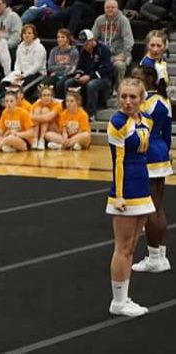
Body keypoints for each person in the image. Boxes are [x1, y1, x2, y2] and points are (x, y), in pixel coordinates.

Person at [106, 77, 155, 317]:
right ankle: (118, 301)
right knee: (122, 247)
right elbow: (118, 162)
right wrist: (118, 196)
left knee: (133, 246)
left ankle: (124, 297)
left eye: (133, 97)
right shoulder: (117, 123)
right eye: (124, 96)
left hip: (142, 186)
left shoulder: (146, 121)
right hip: (125, 190)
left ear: (141, 99)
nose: (128, 101)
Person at [131, 66, 172, 273]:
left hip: (150, 152)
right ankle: (160, 255)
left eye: (137, 79)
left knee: (152, 207)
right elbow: (166, 135)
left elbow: (141, 129)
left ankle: (155, 256)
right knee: (157, 205)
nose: (134, 82)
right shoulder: (159, 100)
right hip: (159, 151)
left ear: (149, 81)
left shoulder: (151, 104)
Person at [64, 29, 113, 119]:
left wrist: (90, 76)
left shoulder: (103, 49)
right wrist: (78, 74)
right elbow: (80, 66)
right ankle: (71, 109)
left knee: (91, 85)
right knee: (69, 83)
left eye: (86, 44)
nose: (84, 46)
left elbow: (107, 69)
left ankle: (91, 113)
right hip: (87, 76)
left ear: (92, 40)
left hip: (103, 78)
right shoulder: (83, 50)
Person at [91, 0, 134, 95]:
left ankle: (118, 89)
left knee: (119, 65)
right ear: (104, 9)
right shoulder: (99, 20)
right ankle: (104, 89)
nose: (110, 9)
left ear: (117, 8)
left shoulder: (123, 20)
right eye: (107, 7)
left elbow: (129, 41)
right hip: (104, 54)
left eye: (112, 7)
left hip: (120, 53)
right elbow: (92, 38)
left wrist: (124, 55)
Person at [2, 24, 46, 101]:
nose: (26, 35)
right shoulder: (20, 46)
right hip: (21, 73)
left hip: (36, 74)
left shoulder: (39, 48)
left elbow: (36, 66)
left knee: (21, 87)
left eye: (29, 33)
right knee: (5, 83)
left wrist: (23, 75)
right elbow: (17, 62)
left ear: (34, 35)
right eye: (24, 33)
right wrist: (17, 73)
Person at [43, 28, 79, 99]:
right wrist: (64, 66)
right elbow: (50, 67)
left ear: (68, 39)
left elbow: (72, 68)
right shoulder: (54, 51)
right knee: (45, 82)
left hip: (68, 75)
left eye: (62, 37)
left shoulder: (74, 51)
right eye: (58, 37)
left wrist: (58, 71)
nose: (59, 39)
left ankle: (62, 104)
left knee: (60, 84)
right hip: (56, 75)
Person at [30, 84, 62, 150]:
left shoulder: (57, 104)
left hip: (55, 129)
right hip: (42, 130)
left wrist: (33, 117)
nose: (46, 97)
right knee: (37, 110)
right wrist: (34, 117)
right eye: (44, 95)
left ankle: (41, 140)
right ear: (40, 97)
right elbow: (29, 116)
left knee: (45, 110)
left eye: (48, 95)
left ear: (52, 97)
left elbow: (46, 118)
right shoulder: (37, 104)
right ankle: (36, 139)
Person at [140, 30, 169, 98]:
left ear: (165, 47)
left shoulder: (162, 61)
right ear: (147, 45)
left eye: (159, 46)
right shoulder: (146, 64)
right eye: (152, 45)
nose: (155, 49)